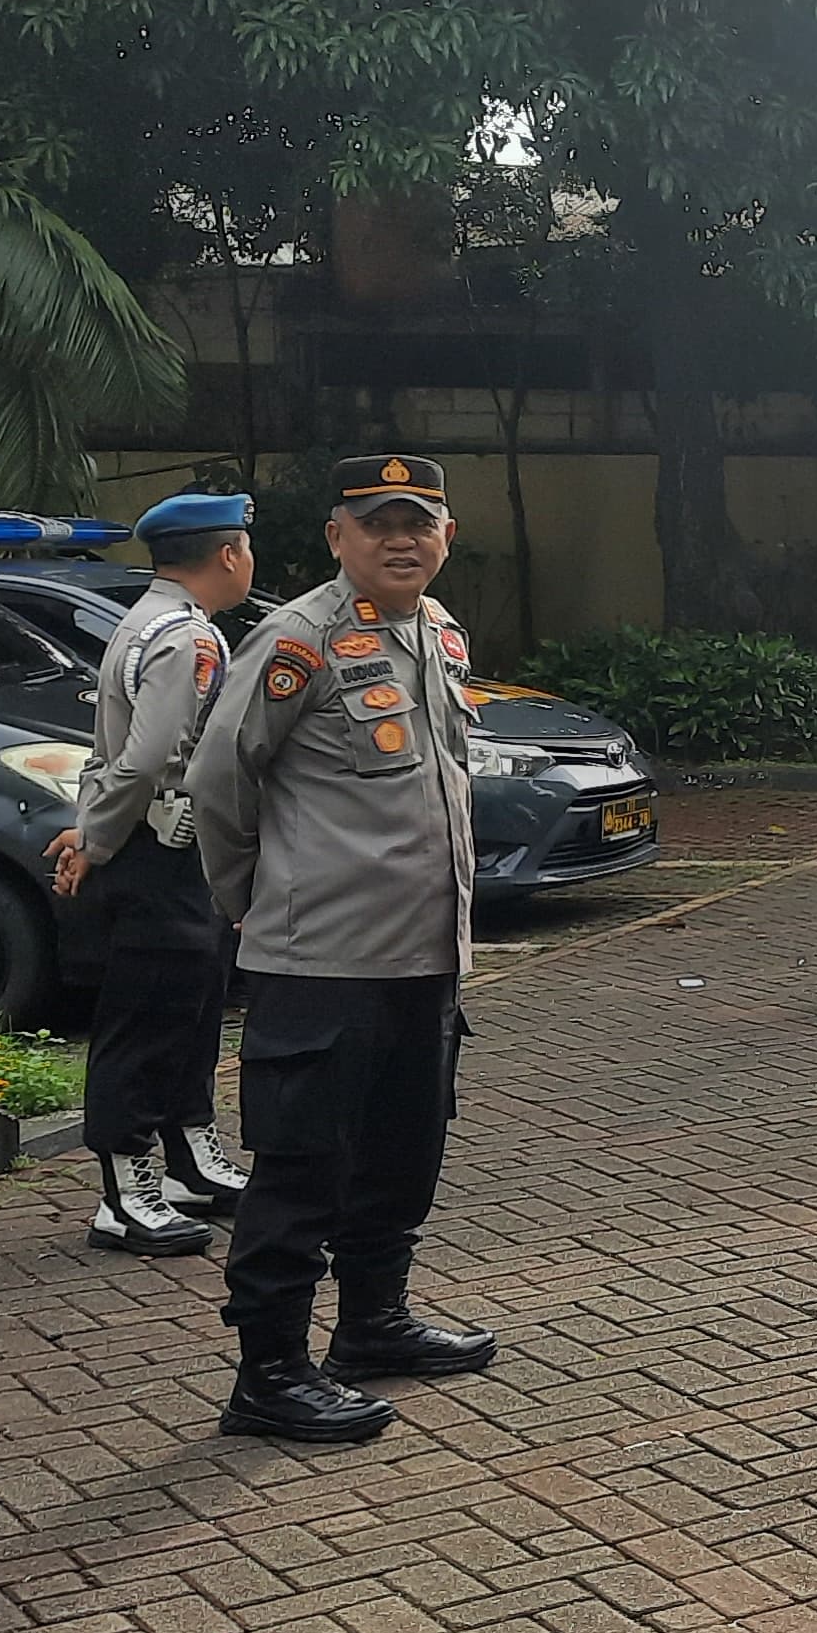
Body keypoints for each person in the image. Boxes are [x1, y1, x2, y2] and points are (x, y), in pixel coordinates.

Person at [187, 454, 497, 1444]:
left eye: (419, 522)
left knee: (402, 1154)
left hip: (423, 955)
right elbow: (221, 780)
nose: (401, 540)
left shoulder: (437, 630)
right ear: (337, 537)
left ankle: (371, 1324)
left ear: (446, 535)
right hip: (321, 961)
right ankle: (269, 1374)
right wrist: (250, 900)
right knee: (301, 1171)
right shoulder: (298, 640)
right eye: (377, 523)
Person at [46, 490, 258, 1258]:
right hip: (155, 855)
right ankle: (125, 1193)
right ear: (228, 554)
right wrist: (97, 842)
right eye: (245, 547)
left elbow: (109, 752)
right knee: (145, 1023)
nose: (248, 560)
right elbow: (142, 760)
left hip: (173, 853)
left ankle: (188, 1160)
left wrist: (92, 829)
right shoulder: (183, 638)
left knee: (192, 1011)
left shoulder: (153, 622)